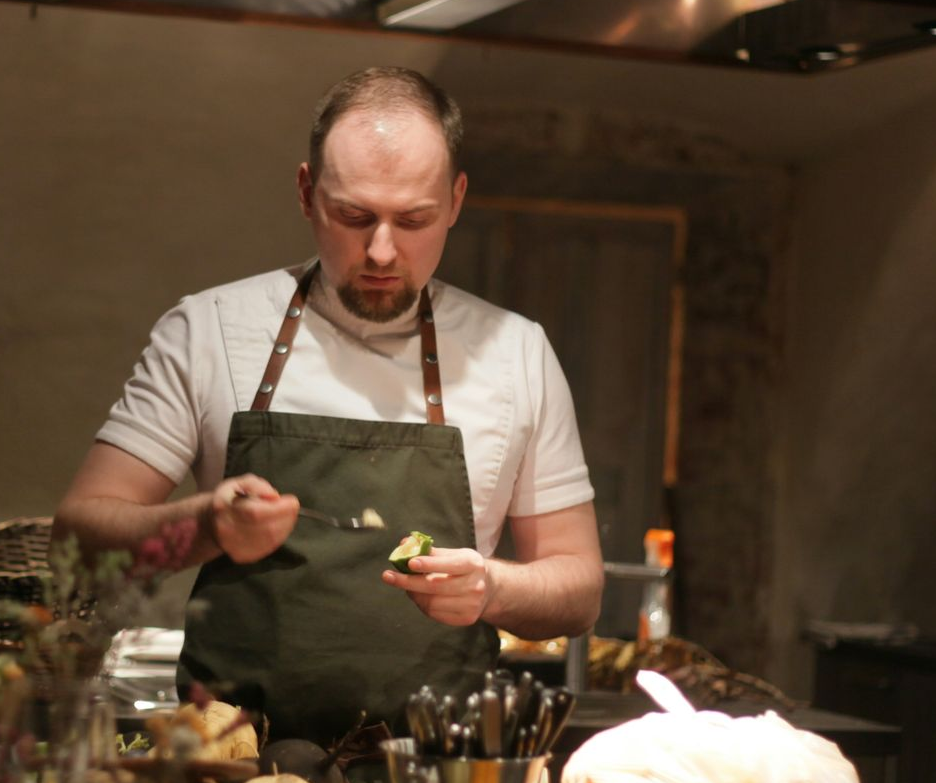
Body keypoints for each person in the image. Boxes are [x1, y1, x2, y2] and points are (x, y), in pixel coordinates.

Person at [53, 67, 602, 743]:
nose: (380, 251)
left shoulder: (516, 352)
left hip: (432, 772)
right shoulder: (210, 330)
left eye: (414, 221)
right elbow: (77, 540)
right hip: (229, 770)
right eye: (354, 216)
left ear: (456, 201)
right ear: (308, 192)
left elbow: (579, 588)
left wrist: (490, 587)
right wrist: (206, 526)